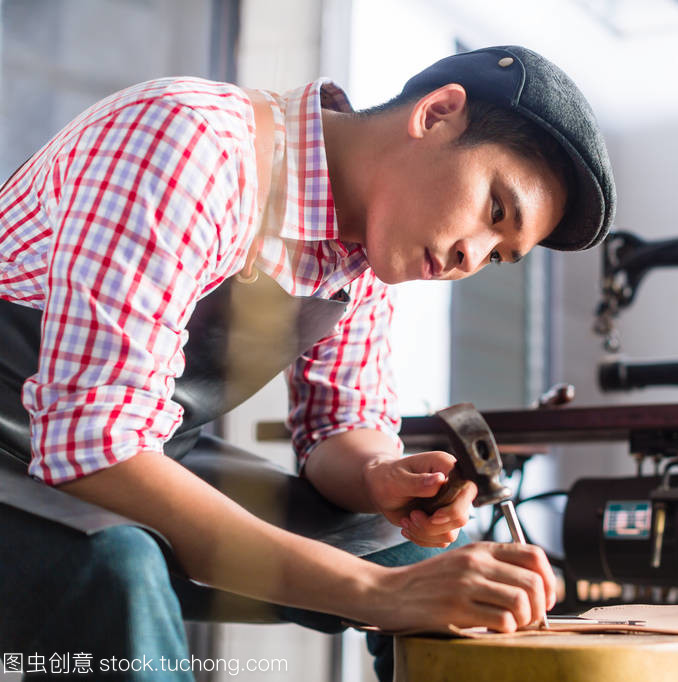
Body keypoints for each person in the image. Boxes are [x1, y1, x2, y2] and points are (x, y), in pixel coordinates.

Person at [0, 45, 615, 679]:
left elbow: (340, 430)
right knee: (117, 568)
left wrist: (381, 475)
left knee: (417, 558)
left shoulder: (372, 250)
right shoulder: (191, 145)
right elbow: (94, 443)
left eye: (498, 255)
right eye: (493, 211)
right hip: (47, 449)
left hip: (136, 451)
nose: (471, 257)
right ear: (436, 115)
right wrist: (378, 596)